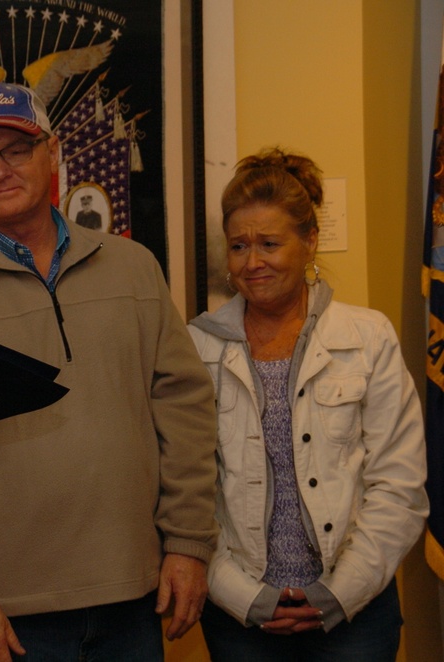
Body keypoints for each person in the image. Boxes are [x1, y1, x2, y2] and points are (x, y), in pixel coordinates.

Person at [0, 81, 219, 661]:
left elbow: (184, 410)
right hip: (5, 616)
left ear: (53, 153)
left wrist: (188, 541)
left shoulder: (134, 270)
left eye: (16, 149)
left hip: (133, 597)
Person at [187, 147, 428, 661]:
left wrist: (338, 595)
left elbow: (399, 485)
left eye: (270, 243)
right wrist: (243, 597)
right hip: (240, 617)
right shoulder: (196, 347)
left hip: (355, 616)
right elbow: (187, 492)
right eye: (238, 246)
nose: (252, 262)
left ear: (310, 242)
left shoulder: (367, 338)